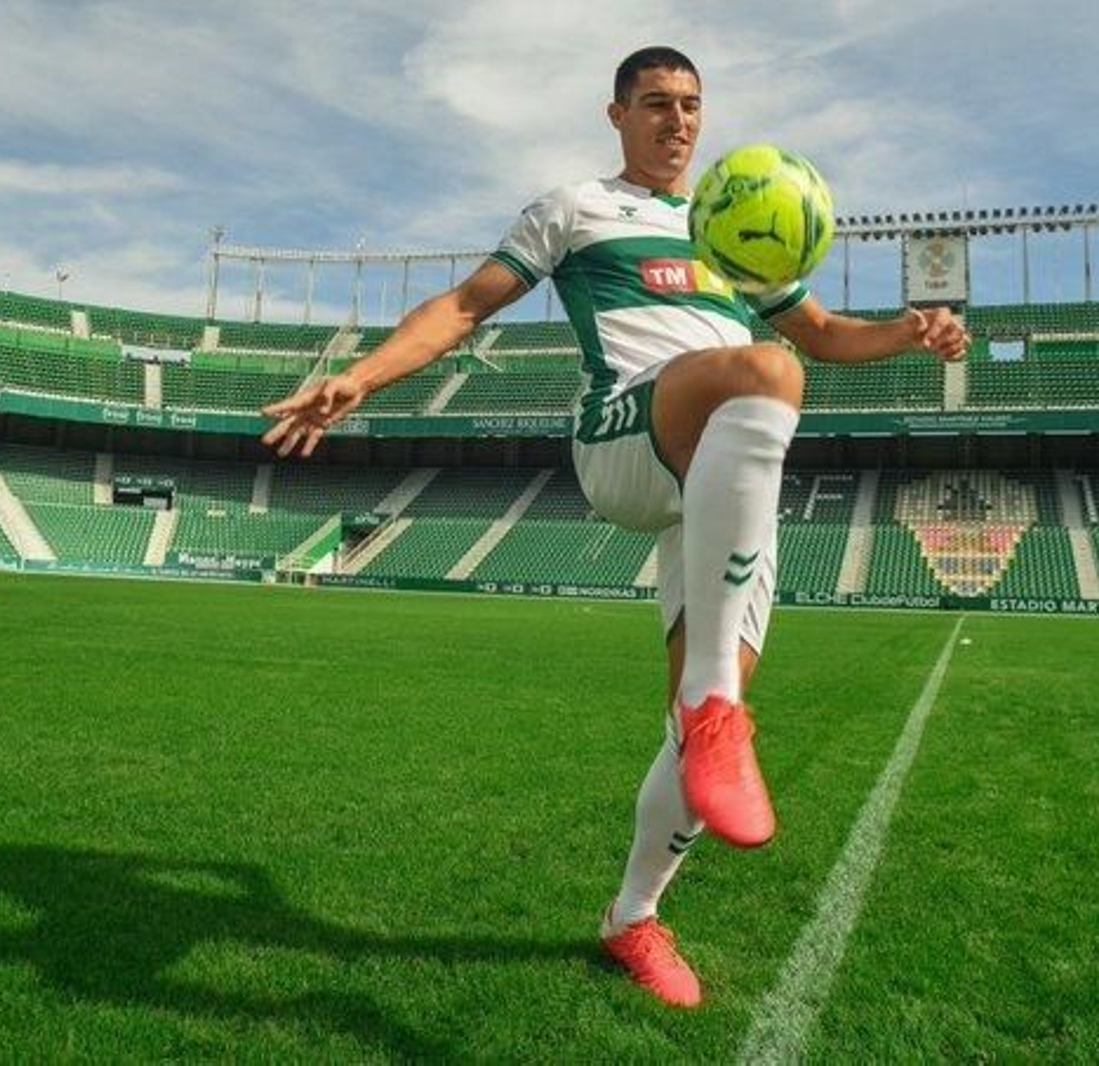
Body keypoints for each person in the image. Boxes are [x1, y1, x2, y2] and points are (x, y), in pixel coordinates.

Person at [261, 45, 970, 1009]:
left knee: (699, 727)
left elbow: (829, 335)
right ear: (617, 114)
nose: (678, 122)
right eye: (656, 104)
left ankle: (634, 914)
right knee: (763, 373)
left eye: (691, 105)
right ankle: (715, 711)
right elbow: (467, 305)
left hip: (721, 480)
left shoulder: (733, 226)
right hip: (626, 437)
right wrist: (362, 377)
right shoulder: (576, 209)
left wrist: (912, 330)